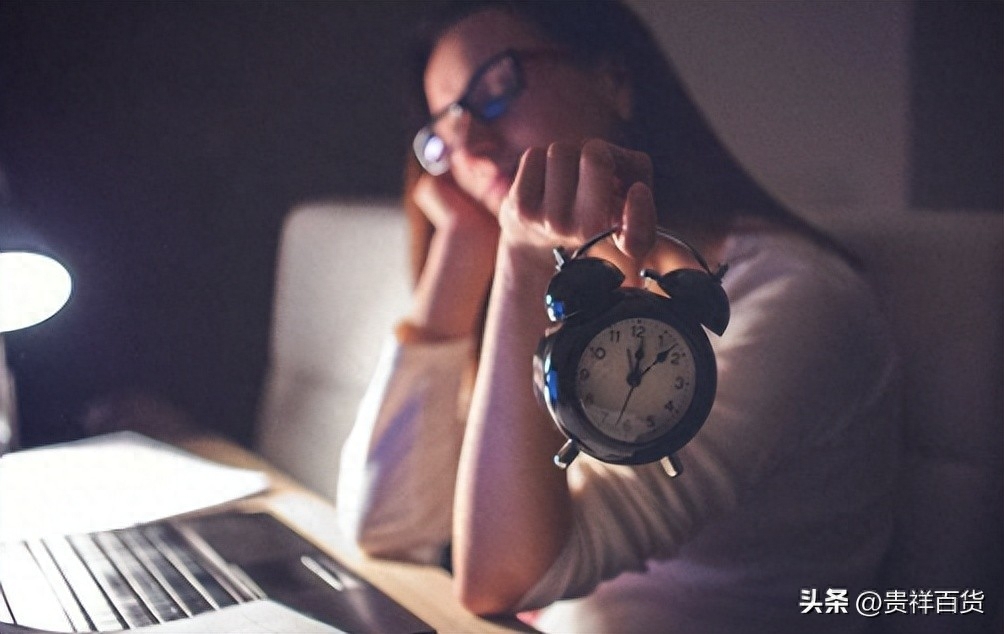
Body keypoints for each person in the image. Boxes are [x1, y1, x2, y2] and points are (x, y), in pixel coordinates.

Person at [336, 2, 901, 632]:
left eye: (496, 88)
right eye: (447, 125)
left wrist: (520, 259)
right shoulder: (571, 291)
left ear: (614, 79)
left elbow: (503, 579)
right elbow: (384, 528)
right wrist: (462, 257)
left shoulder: (791, 301)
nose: (469, 142)